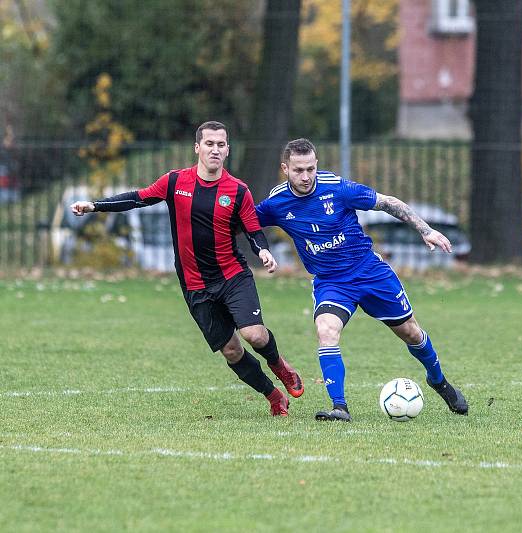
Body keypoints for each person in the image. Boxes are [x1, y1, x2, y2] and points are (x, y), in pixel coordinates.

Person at [70, 121, 304, 417]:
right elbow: (136, 198)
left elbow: (253, 230)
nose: (215, 150)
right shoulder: (175, 182)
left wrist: (264, 251)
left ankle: (279, 365)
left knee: (254, 335)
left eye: (221, 145)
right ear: (197, 148)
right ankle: (273, 396)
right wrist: (95, 206)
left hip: (232, 276)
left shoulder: (238, 190)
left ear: (228, 150)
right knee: (231, 351)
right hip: (195, 285)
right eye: (209, 144)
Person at [254, 138, 468, 422]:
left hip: (369, 271)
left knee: (411, 333)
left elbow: (387, 203)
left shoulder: (337, 188)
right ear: (285, 169)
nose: (305, 177)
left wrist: (425, 229)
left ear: (316, 165)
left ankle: (438, 381)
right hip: (331, 282)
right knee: (326, 331)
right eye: (298, 170)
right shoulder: (276, 203)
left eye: (310, 169)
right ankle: (339, 407)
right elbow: (246, 222)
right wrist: (260, 249)